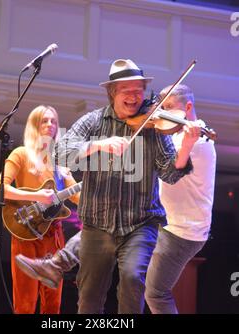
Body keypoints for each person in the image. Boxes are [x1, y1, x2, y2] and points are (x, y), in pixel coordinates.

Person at [15, 59, 201, 314]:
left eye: (139, 90)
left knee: (133, 278)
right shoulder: (93, 122)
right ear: (113, 92)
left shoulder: (154, 127)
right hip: (96, 224)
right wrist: (97, 145)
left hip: (140, 223)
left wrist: (187, 146)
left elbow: (169, 173)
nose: (135, 97)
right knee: (89, 299)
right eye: (128, 90)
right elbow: (59, 153)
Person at [0, 105, 79, 314]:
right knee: (25, 302)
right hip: (27, 233)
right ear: (34, 125)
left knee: (53, 304)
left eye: (54, 121)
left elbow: (77, 196)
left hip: (54, 235)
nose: (50, 125)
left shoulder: (59, 161)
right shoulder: (21, 154)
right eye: (45, 121)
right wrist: (36, 195)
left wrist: (99, 187)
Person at [144, 84, 216, 314]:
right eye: (162, 108)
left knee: (155, 293)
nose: (163, 114)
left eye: (169, 108)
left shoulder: (197, 142)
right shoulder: (178, 136)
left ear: (187, 107)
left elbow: (167, 165)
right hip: (170, 224)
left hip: (183, 231)